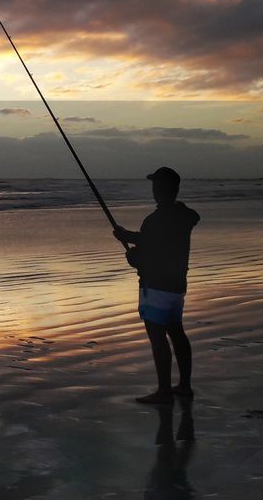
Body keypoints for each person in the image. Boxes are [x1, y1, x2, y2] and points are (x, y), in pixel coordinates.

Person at [113, 166, 200, 404]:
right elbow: (157, 242)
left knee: (157, 337)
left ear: (162, 188)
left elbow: (147, 249)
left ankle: (164, 391)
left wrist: (129, 246)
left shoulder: (154, 220)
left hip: (156, 286)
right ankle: (184, 385)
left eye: (155, 184)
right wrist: (129, 238)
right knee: (177, 333)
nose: (153, 189)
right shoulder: (184, 216)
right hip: (177, 284)